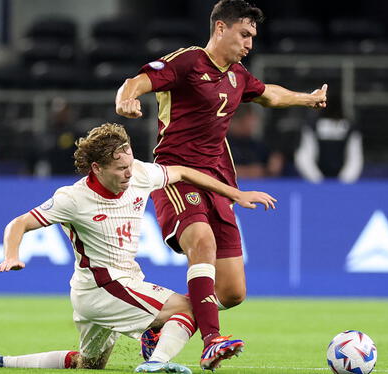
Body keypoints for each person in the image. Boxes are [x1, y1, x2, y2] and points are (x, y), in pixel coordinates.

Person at [114, 0, 327, 369]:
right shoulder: (187, 62)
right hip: (177, 176)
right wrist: (126, 101)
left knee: (231, 292)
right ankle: (212, 340)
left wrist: (307, 99)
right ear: (220, 29)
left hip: (219, 182)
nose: (249, 44)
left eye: (253, 37)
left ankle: (160, 321)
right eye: (244, 34)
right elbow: (136, 81)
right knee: (203, 241)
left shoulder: (238, 75)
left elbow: (270, 95)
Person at [0, 123, 276, 373]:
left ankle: (1, 362)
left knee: (89, 363)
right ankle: (157, 362)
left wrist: (236, 193)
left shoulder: (139, 173)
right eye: (121, 168)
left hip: (104, 288)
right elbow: (18, 224)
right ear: (97, 168)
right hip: (104, 286)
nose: (129, 173)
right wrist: (11, 255)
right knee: (191, 307)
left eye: (130, 164)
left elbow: (184, 173)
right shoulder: (71, 198)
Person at [294, 101, 363, 183]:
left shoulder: (350, 129)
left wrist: (344, 182)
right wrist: (317, 180)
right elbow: (304, 157)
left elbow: (355, 159)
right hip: (317, 179)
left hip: (341, 180)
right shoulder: (312, 127)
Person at [226, 104, 269, 178]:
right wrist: (247, 171)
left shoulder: (258, 146)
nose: (254, 124)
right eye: (250, 120)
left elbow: (270, 170)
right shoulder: (223, 145)